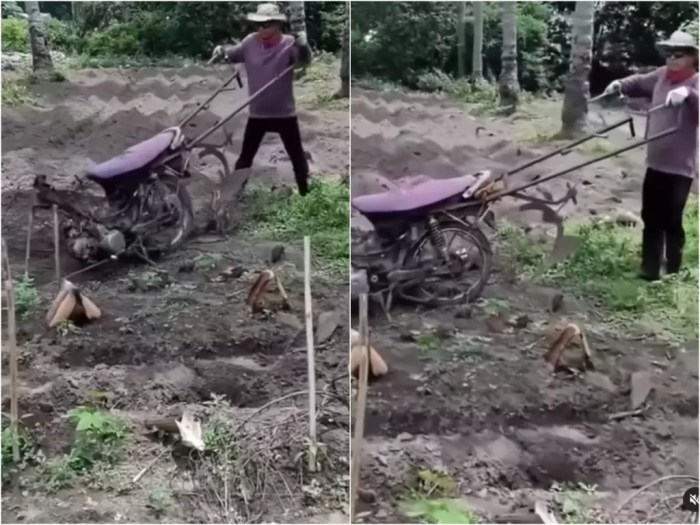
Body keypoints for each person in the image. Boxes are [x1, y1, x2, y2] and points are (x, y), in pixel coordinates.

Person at [602, 30, 698, 281]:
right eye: (668, 53)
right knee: (651, 216)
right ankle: (649, 269)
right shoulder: (661, 76)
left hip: (679, 168)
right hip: (655, 163)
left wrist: (689, 95)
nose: (671, 58)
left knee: (672, 220)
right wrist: (620, 83)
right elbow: (639, 82)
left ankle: (673, 271)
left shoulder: (696, 82)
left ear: (692, 57)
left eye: (678, 54)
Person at [213, 3, 313, 195]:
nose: (261, 29)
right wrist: (221, 51)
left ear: (277, 25)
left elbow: (305, 60)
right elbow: (231, 54)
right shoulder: (250, 42)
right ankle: (235, 193)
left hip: (284, 114)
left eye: (266, 25)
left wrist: (303, 44)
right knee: (245, 157)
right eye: (258, 25)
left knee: (297, 156)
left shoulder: (289, 44)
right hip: (258, 113)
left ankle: (305, 193)